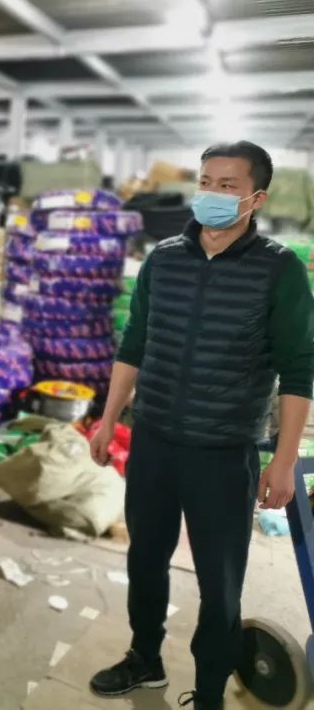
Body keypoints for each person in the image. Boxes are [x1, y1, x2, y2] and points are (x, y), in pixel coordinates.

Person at [88, 141, 314, 710]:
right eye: (206, 182)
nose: (212, 194)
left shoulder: (280, 270)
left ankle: (210, 690)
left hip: (223, 452)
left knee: (220, 581)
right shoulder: (164, 258)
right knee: (145, 559)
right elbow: (134, 344)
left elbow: (298, 370)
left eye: (228, 185)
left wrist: (283, 460)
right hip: (154, 440)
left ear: (256, 199)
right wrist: (108, 419)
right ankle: (145, 657)